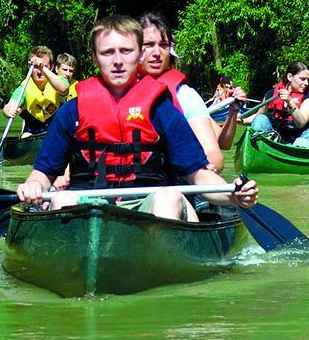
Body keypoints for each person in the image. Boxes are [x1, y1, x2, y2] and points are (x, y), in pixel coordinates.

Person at [15, 15, 258, 220]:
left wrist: (233, 195)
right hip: (91, 206)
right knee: (62, 198)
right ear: (94, 58)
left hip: (149, 206)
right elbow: (42, 174)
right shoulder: (71, 112)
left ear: (138, 54)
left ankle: (160, 269)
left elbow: (200, 176)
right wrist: (34, 186)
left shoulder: (162, 111)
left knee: (169, 196)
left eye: (126, 51)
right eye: (108, 52)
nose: (118, 61)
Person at [137, 13, 239, 174]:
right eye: (148, 45)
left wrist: (203, 168)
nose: (157, 53)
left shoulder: (185, 95)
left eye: (163, 45)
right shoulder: (118, 89)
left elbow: (215, 154)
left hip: (176, 182)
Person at [247, 61, 309, 148]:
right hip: (274, 137)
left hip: (296, 139)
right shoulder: (271, 94)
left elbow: (301, 123)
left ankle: (294, 151)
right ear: (290, 77)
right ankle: (260, 146)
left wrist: (290, 102)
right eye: (302, 79)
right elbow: (258, 116)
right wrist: (242, 120)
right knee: (260, 118)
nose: (306, 83)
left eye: (308, 80)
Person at [3, 46, 70, 137]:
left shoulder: (60, 80)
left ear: (51, 67)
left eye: (44, 66)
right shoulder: (23, 88)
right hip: (32, 130)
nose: (39, 71)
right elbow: (10, 105)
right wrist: (7, 111)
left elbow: (63, 89)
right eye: (35, 67)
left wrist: (42, 67)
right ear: (29, 66)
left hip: (56, 129)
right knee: (25, 136)